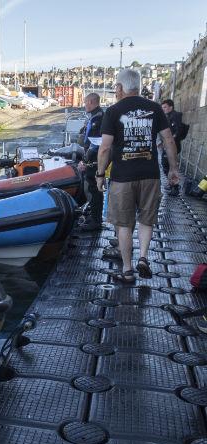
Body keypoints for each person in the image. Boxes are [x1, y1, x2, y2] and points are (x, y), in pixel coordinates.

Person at [96, 69, 179, 283]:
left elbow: (105, 148)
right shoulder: (154, 109)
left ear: (122, 87)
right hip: (150, 175)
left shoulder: (113, 111)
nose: (115, 89)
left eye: (116, 86)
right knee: (146, 219)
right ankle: (143, 257)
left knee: (123, 224)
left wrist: (99, 174)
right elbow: (168, 140)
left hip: (123, 176)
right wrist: (173, 169)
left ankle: (127, 269)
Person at [77, 93, 104, 231]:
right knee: (92, 188)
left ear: (92, 102)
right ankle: (93, 215)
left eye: (86, 102)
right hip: (92, 158)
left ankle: (96, 220)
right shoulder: (94, 116)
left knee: (94, 190)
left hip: (94, 160)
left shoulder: (98, 118)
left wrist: (85, 161)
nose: (84, 105)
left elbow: (95, 144)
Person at [160, 99, 184, 194]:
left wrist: (170, 142)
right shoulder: (168, 116)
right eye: (162, 108)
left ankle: (175, 187)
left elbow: (177, 131)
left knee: (168, 165)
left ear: (171, 107)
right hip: (169, 145)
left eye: (165, 107)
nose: (163, 109)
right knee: (167, 165)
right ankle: (172, 184)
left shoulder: (175, 115)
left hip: (173, 145)